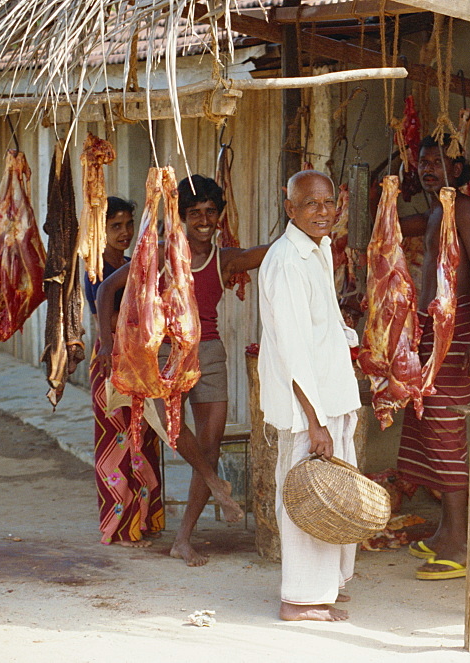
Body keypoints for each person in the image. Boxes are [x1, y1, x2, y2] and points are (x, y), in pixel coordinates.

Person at [96, 175, 270, 566]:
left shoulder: (225, 259)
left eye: (211, 212)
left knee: (209, 447)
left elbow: (270, 251)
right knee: (171, 428)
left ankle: (183, 539)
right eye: (195, 214)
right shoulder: (156, 253)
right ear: (183, 218)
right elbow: (108, 289)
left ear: (219, 217)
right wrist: (108, 343)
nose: (204, 220)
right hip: (163, 353)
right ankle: (213, 482)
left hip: (208, 353)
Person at [257, 170, 361, 622]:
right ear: (291, 208)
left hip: (329, 396)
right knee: (304, 495)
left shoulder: (317, 251)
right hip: (307, 409)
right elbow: (293, 349)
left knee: (334, 495)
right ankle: (298, 599)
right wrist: (314, 422)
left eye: (328, 203)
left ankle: (325, 586)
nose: (323, 212)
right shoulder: (285, 261)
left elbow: (321, 329)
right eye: (312, 204)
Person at [397, 134, 470, 580]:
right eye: (423, 161)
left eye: (437, 162)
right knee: (427, 423)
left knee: (447, 429)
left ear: (459, 167)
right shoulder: (436, 211)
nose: (428, 168)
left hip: (456, 326)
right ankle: (446, 529)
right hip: (432, 327)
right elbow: (392, 222)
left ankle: (461, 542)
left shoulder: (463, 209)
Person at [86, 197, 164, 548]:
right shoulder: (93, 271)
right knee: (117, 442)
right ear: (100, 231)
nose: (125, 233)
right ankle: (119, 526)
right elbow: (113, 317)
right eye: (115, 226)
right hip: (109, 361)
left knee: (144, 440)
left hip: (140, 359)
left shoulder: (136, 264)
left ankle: (145, 520)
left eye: (128, 225)